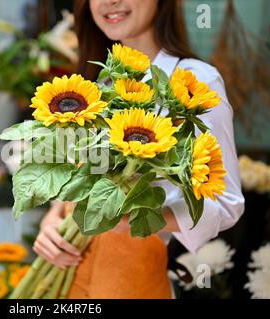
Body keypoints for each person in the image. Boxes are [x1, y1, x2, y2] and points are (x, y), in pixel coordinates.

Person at [32, 0, 245, 299]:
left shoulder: (195, 83)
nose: (110, 1)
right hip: (68, 280)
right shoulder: (99, 80)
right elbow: (76, 175)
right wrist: (53, 218)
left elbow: (226, 202)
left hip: (133, 280)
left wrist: (131, 219)